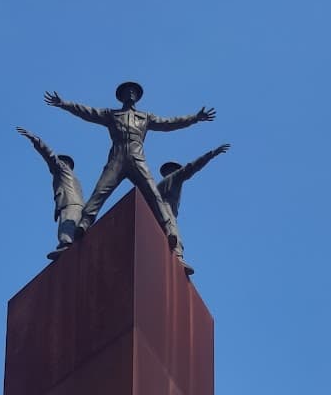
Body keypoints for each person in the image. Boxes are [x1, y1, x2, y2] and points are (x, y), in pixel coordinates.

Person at [44, 81, 216, 247]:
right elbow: (87, 112)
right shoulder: (111, 115)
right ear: (121, 96)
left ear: (138, 97)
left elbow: (170, 123)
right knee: (100, 192)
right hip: (117, 159)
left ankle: (169, 230)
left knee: (153, 195)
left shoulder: (146, 117)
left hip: (137, 159)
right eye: (127, 91)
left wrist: (195, 118)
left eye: (134, 91)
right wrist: (64, 104)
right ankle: (84, 224)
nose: (131, 93)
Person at [158, 143, 230, 275]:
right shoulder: (175, 177)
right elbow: (192, 167)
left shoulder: (158, 185)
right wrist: (212, 154)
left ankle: (168, 254)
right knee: (174, 234)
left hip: (154, 212)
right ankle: (178, 259)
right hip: (165, 210)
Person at [17, 127, 84, 257]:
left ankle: (66, 247)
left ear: (65, 163)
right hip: (78, 205)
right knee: (74, 229)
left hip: (70, 204)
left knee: (66, 227)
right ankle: (74, 249)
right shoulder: (74, 178)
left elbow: (49, 155)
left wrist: (35, 140)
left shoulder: (63, 170)